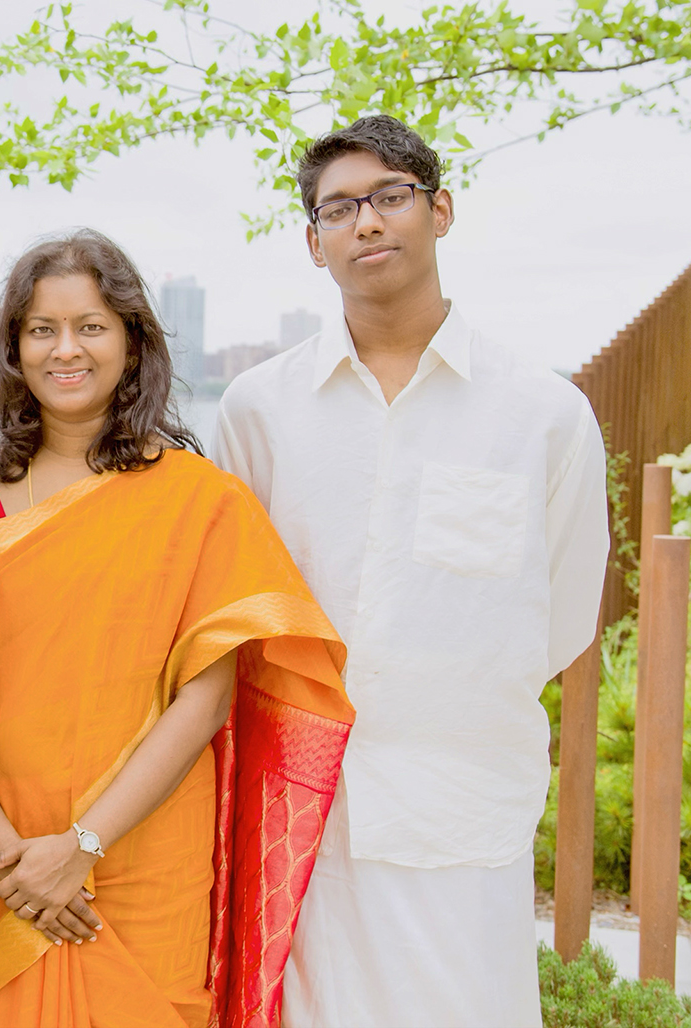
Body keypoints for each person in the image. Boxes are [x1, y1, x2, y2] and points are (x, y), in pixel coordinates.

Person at [214, 115, 610, 1026]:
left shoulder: (543, 414)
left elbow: (560, 613)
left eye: (390, 197)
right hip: (301, 808)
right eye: (339, 209)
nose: (367, 223)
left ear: (441, 211)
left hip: (460, 800)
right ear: (313, 244)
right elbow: (237, 601)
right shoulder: (259, 409)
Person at [0, 229, 353, 1028]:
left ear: (133, 343)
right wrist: (10, 856)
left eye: (92, 326)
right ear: (13, 349)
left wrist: (83, 846)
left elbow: (205, 701)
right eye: (42, 329)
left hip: (143, 854)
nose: (67, 349)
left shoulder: (201, 500)